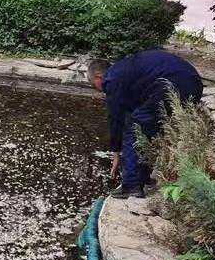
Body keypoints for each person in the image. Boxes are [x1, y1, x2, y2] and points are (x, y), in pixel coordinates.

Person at [87, 49, 203, 198]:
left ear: (98, 76)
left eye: (93, 85)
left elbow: (116, 118)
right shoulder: (126, 71)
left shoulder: (111, 78)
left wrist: (116, 152)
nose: (98, 90)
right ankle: (144, 177)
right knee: (150, 128)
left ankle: (131, 186)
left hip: (173, 83)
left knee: (134, 129)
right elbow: (133, 106)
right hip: (193, 83)